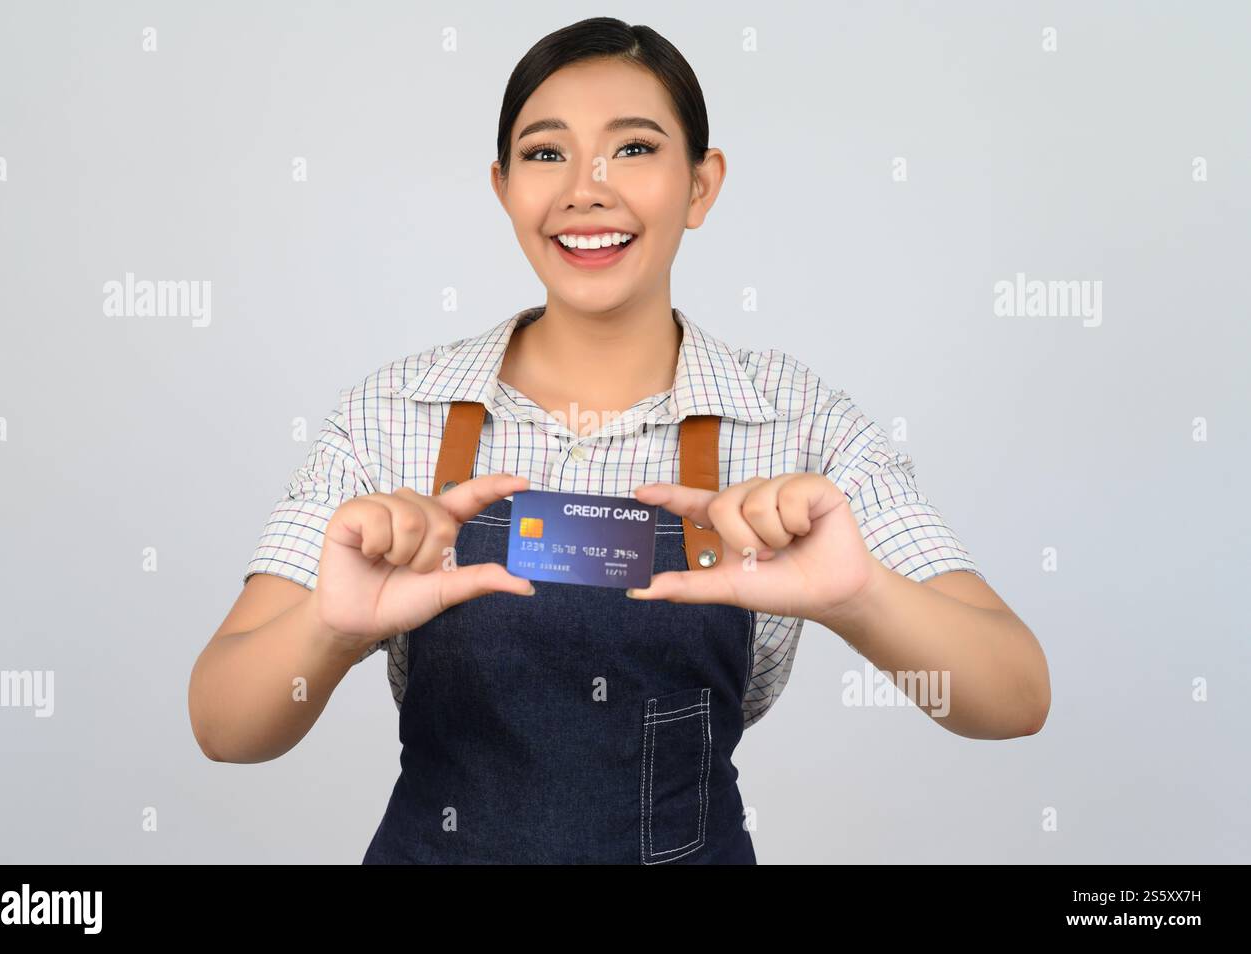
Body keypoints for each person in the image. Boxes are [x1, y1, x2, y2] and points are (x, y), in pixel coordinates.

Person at [188, 17, 1050, 864]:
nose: (585, 189)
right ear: (503, 187)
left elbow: (1014, 695)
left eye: (633, 149)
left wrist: (858, 595)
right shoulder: (394, 416)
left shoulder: (798, 423)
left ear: (702, 185)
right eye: (545, 152)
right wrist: (331, 628)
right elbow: (224, 725)